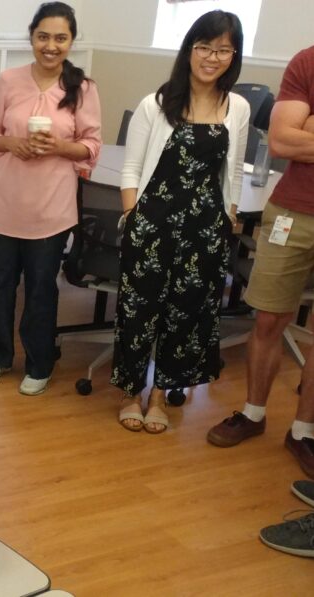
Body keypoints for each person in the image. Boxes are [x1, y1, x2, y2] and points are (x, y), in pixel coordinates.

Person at [113, 10, 249, 434]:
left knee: (186, 315)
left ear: (233, 55)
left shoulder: (238, 107)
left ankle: (160, 396)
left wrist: (230, 214)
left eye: (223, 49)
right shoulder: (156, 103)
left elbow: (235, 169)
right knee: (139, 311)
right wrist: (132, 214)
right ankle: (131, 393)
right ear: (189, 49)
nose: (212, 57)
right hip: (152, 225)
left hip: (205, 231)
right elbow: (131, 167)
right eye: (205, 46)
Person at [0, 1, 101, 396]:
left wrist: (59, 147)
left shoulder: (83, 88)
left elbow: (91, 146)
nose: (51, 45)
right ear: (31, 37)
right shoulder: (9, 81)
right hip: (2, 203)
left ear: (71, 42)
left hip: (50, 208)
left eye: (60, 38)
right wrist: (14, 143)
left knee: (42, 286)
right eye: (43, 36)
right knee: (0, 285)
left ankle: (40, 361)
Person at [205, 43, 314, 478]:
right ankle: (252, 414)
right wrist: (299, 131)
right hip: (292, 212)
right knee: (269, 320)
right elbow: (284, 139)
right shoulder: (307, 61)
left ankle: (304, 430)